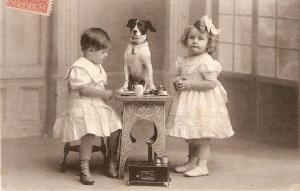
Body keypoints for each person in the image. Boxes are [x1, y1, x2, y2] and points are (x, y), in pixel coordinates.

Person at [166, 15, 234, 177]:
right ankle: (191, 161)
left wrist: (189, 84)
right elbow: (179, 75)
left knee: (202, 135)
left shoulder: (206, 61)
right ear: (186, 40)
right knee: (192, 134)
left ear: (208, 43)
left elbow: (211, 84)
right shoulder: (184, 60)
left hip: (203, 102)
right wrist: (178, 82)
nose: (195, 41)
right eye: (192, 38)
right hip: (188, 102)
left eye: (200, 39)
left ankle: (202, 165)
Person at [53, 28, 122, 185]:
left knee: (116, 127)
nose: (106, 55)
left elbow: (99, 88)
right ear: (91, 50)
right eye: (103, 52)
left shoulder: (97, 66)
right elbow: (84, 90)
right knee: (89, 130)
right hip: (81, 105)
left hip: (96, 105)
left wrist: (110, 94)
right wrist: (104, 94)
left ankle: (110, 161)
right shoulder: (79, 66)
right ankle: (84, 168)